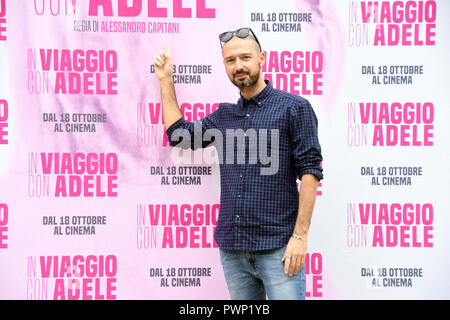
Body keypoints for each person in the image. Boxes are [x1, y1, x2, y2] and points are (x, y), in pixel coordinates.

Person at [153, 27, 323, 300]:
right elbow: (179, 135)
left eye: (245, 57)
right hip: (233, 249)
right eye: (230, 60)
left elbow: (310, 173)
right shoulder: (224, 116)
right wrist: (165, 80)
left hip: (279, 248)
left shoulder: (294, 107)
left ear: (261, 58)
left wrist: (300, 238)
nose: (239, 66)